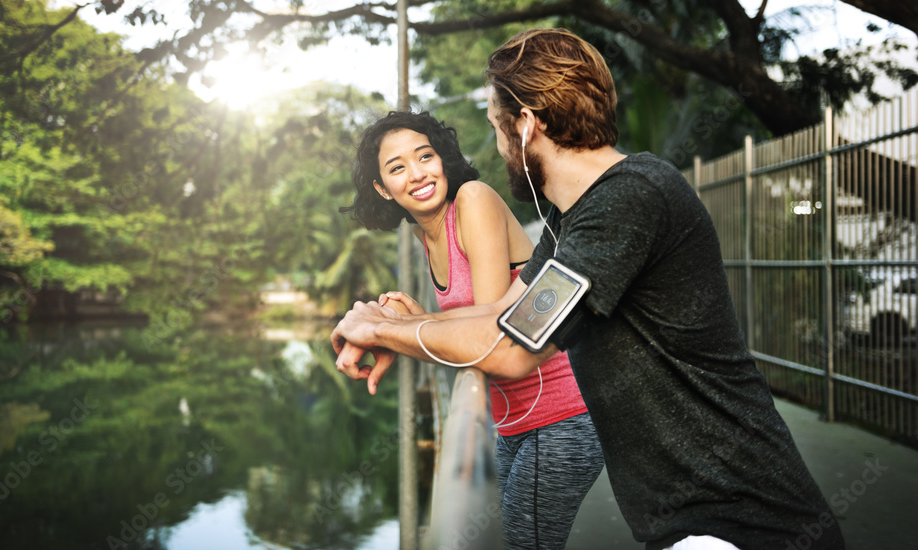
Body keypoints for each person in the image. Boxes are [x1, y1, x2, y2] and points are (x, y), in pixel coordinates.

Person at [331, 28, 846, 550]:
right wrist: (392, 328)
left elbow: (509, 350)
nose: (497, 145)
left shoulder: (627, 200)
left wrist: (379, 328)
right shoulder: (569, 219)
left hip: (743, 525)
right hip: (692, 524)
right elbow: (504, 314)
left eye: (497, 128)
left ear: (526, 126)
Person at [339, 110, 604, 549]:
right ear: (383, 189)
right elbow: (468, 325)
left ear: (443, 159)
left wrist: (392, 329)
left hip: (562, 415)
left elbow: (493, 327)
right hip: (512, 421)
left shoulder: (473, 200)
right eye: (397, 167)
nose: (418, 173)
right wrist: (404, 324)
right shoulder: (427, 236)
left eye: (425, 156)